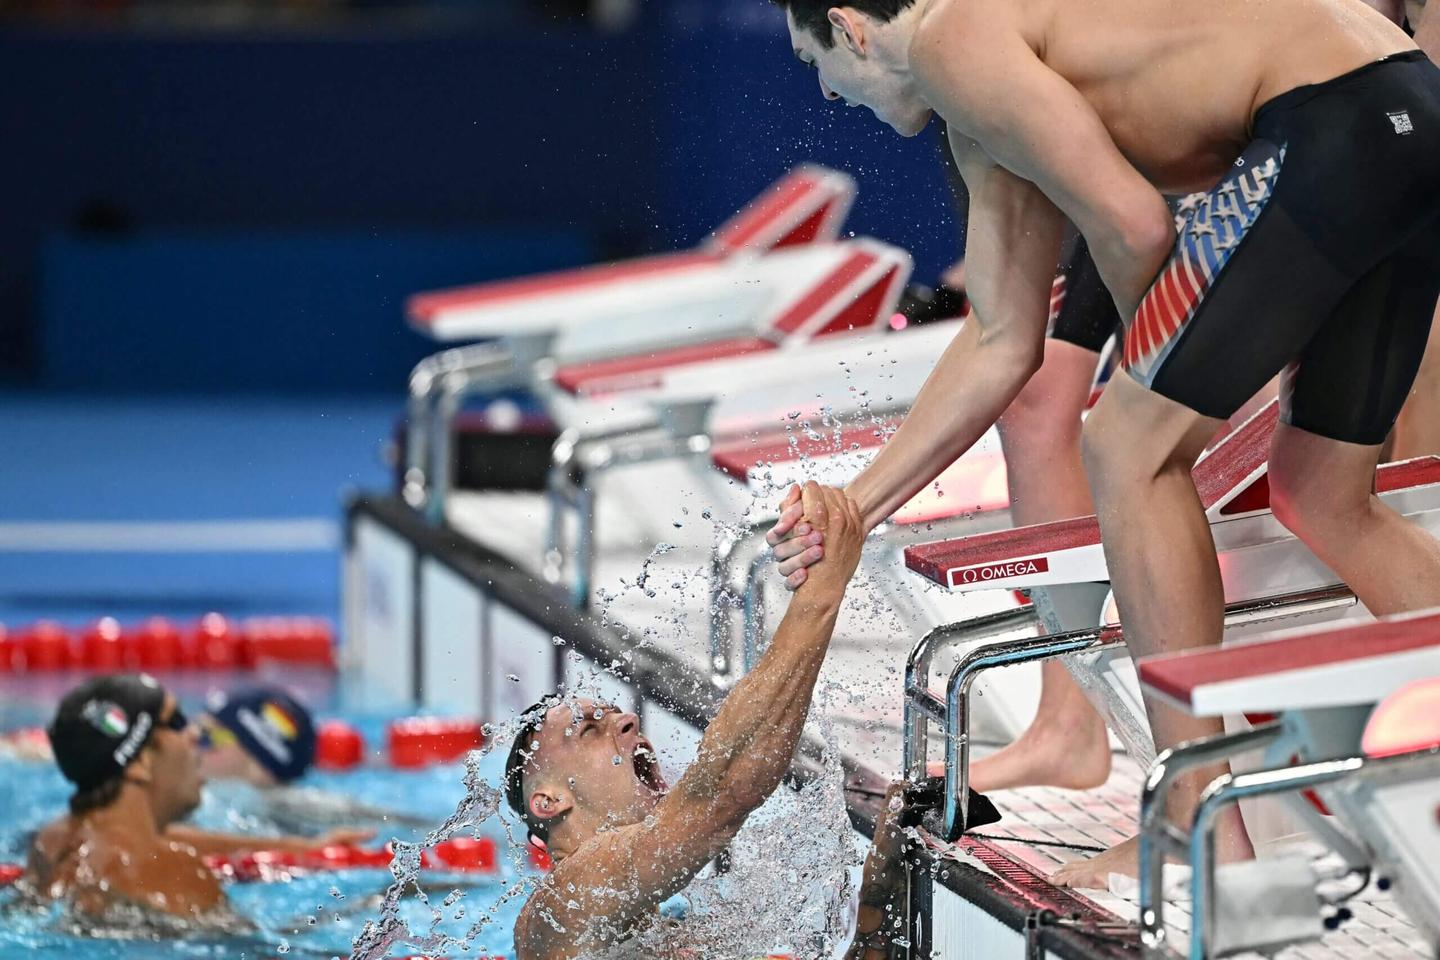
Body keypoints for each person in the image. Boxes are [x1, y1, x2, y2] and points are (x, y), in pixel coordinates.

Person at [765, 0, 1440, 889]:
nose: (828, 94)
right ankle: (1202, 825)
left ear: (851, 28)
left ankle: (1198, 833)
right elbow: (1002, 340)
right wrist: (853, 505)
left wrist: (1161, 391)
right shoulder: (980, 83)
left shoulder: (947, 37)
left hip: (1337, 122)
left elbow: (1135, 225)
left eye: (817, 66)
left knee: (1123, 446)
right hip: (1411, 114)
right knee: (1320, 492)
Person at [507, 482, 870, 959]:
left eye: (616, 714)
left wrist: (881, 887)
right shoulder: (566, 903)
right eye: (591, 731)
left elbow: (721, 796)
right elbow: (719, 798)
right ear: (549, 802)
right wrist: (821, 592)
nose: (630, 723)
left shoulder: (668, 939)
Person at [23, 674, 366, 920]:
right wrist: (361, 906)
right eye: (176, 722)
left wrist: (308, 852)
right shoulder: (175, 874)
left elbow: (162, 838)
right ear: (140, 761)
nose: (192, 736)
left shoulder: (50, 843)